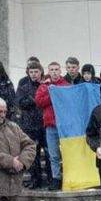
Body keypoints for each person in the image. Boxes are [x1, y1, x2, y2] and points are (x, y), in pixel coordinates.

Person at [35, 62, 70, 190]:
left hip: (65, 125)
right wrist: (52, 94)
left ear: (60, 71)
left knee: (67, 153)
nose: (54, 72)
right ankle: (56, 178)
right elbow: (39, 102)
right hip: (50, 125)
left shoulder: (66, 85)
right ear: (48, 71)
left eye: (56, 69)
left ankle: (68, 177)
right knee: (53, 154)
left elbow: (69, 102)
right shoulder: (44, 87)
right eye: (52, 70)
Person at [16, 61, 48, 189]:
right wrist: (33, 100)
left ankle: (51, 179)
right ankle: (36, 179)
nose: (34, 74)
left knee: (48, 152)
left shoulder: (45, 85)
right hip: (30, 125)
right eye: (31, 72)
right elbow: (19, 102)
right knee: (32, 154)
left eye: (36, 72)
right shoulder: (24, 87)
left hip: (44, 124)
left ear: (41, 72)